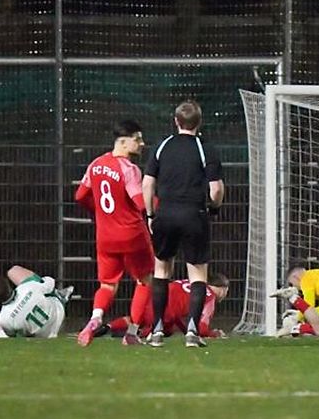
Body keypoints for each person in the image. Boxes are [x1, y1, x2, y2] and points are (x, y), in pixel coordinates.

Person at [142, 100, 224, 348]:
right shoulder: (204, 148)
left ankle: (156, 331)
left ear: (176, 121)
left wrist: (149, 214)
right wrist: (214, 206)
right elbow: (217, 187)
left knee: (161, 270)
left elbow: (147, 183)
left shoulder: (162, 146)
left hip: (165, 214)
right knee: (197, 273)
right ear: (199, 123)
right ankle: (192, 332)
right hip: (194, 214)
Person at [73, 120, 154, 347]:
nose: (142, 143)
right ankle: (132, 333)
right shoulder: (129, 169)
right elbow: (140, 203)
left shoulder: (96, 164)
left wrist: (98, 211)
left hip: (105, 236)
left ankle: (94, 319)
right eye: (137, 139)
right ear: (123, 141)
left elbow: (80, 195)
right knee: (145, 280)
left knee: (108, 285)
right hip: (132, 235)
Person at [99, 273, 230, 340]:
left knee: (139, 319)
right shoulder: (209, 296)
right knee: (164, 329)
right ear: (222, 289)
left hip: (153, 299)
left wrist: (187, 330)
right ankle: (139, 333)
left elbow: (178, 314)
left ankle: (108, 327)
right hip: (165, 313)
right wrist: (214, 334)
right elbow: (201, 329)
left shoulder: (192, 283)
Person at [0, 265, 73, 339]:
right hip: (58, 311)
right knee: (14, 271)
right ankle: (59, 295)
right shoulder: (27, 287)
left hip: (46, 335)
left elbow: (10, 337)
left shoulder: (5, 318)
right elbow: (51, 282)